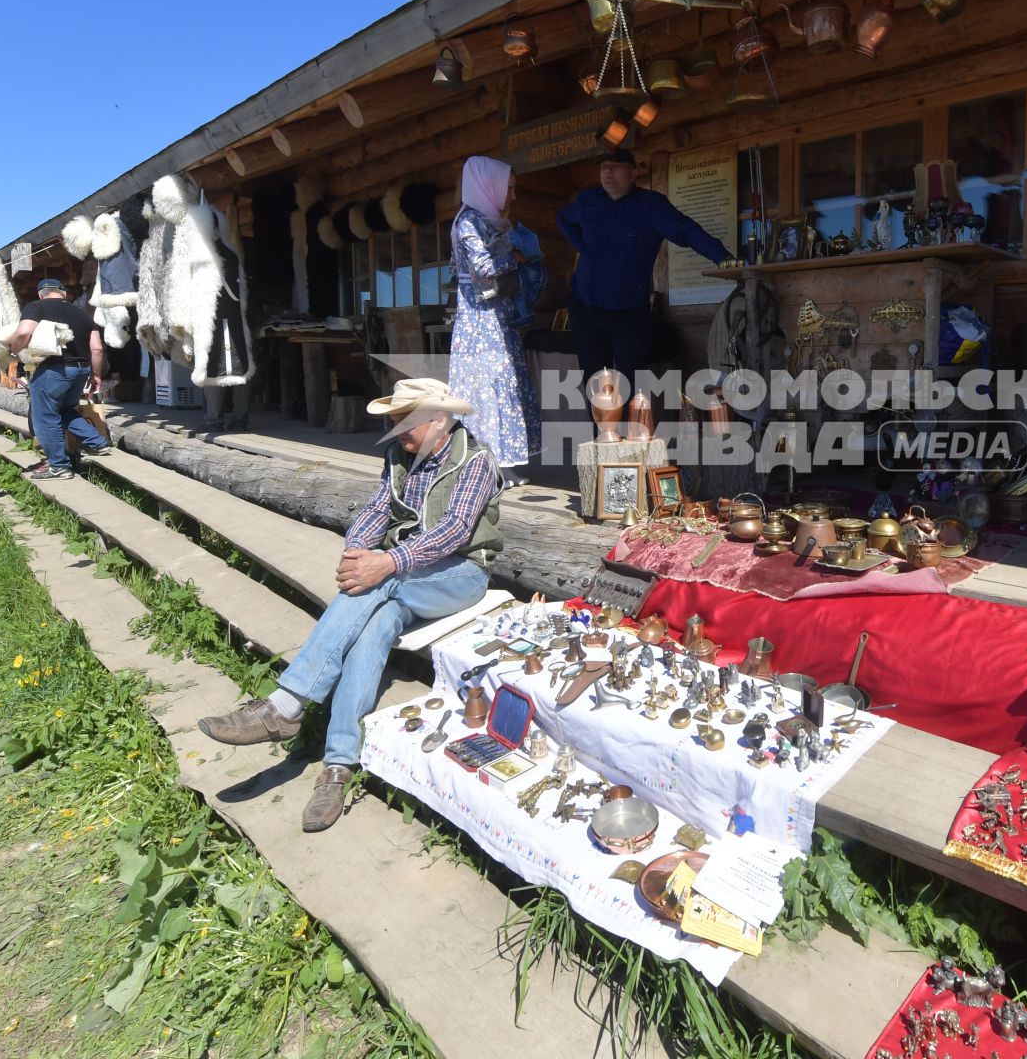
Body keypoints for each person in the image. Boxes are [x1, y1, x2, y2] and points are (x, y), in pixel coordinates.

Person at [197, 379, 499, 833]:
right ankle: (339, 765)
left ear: (439, 420)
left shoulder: (475, 460)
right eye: (396, 422)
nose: (398, 431)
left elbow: (454, 531)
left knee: (376, 586)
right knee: (376, 622)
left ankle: (287, 704)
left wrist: (386, 562)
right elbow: (378, 509)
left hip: (460, 574)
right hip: (404, 574)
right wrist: (358, 551)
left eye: (405, 422)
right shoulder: (400, 455)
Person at [557, 147, 730, 383]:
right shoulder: (588, 201)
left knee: (629, 385)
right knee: (596, 383)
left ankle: (633, 421)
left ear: (633, 172)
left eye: (615, 166)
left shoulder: (651, 206)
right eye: (603, 166)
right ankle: (601, 423)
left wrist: (723, 258)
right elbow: (564, 218)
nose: (608, 171)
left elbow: (685, 230)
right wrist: (583, 246)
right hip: (586, 307)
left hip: (629, 311)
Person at [448, 156, 539, 484]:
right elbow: (483, 267)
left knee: (501, 388)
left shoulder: (485, 219)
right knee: (488, 391)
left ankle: (499, 463)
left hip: (497, 319)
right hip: (482, 324)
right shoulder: (469, 221)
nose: (512, 197)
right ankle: (485, 466)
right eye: (508, 189)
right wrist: (515, 257)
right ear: (490, 186)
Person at [10, 276, 108, 480]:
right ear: (63, 293)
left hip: (54, 370)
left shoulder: (36, 306)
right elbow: (97, 349)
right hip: (81, 369)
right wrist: (96, 374)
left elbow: (23, 333)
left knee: (44, 417)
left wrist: (14, 350)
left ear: (41, 294)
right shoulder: (82, 313)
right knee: (64, 409)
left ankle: (59, 466)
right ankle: (97, 443)